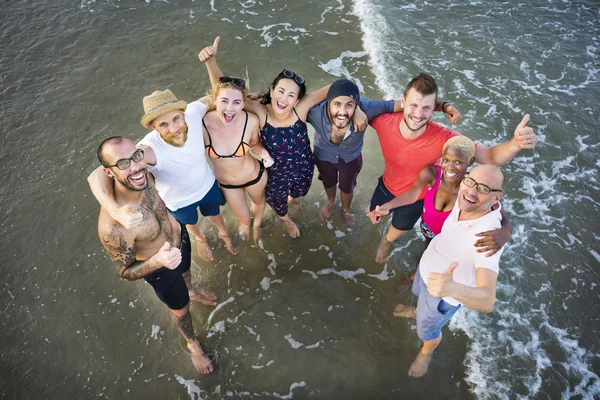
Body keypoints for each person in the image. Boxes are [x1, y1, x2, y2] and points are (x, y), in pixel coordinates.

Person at [368, 73, 536, 263]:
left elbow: (489, 156)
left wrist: (516, 143)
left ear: (433, 110)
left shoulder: (445, 138)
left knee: (396, 230)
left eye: (426, 108)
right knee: (374, 212)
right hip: (385, 185)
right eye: (414, 105)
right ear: (403, 101)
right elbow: (350, 109)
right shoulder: (383, 121)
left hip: (416, 198)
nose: (418, 114)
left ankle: (385, 242)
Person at [95, 137, 216, 374]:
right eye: (122, 164)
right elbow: (125, 272)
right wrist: (157, 261)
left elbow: (98, 175)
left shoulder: (144, 174)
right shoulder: (113, 227)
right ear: (108, 172)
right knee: (180, 309)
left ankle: (191, 289)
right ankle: (193, 344)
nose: (135, 167)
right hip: (160, 267)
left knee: (187, 273)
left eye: (135, 157)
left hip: (180, 237)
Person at [87, 87, 237, 262]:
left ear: (183, 112)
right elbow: (96, 175)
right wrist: (115, 211)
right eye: (163, 125)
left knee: (214, 213)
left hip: (207, 186)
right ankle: (200, 238)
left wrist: (253, 99)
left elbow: (218, 97)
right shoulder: (148, 149)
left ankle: (224, 233)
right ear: (153, 126)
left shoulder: (194, 112)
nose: (173, 129)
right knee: (190, 223)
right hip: (179, 201)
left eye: (176, 119)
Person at [393, 164, 506, 378]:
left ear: (497, 198)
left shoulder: (487, 238)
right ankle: (417, 311)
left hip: (442, 296)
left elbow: (487, 300)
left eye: (483, 189)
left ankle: (425, 353)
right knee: (419, 302)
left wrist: (451, 288)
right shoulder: (466, 199)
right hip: (427, 271)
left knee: (427, 331)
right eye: (471, 182)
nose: (472, 191)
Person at [308, 79, 461, 226]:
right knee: (328, 183)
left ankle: (345, 210)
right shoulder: (314, 112)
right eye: (336, 104)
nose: (342, 111)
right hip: (323, 157)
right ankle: (331, 202)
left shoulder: (366, 108)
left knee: (347, 187)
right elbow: (290, 108)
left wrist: (443, 106)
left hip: (350, 159)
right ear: (328, 103)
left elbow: (401, 105)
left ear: (356, 104)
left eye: (349, 105)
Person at [368, 136, 510, 255]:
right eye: (446, 160)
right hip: (427, 228)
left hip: (448, 237)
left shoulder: (470, 188)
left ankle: (414, 275)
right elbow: (413, 193)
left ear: (470, 162)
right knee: (428, 247)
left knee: (438, 255)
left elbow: (496, 210)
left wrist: (505, 234)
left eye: (458, 162)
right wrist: (388, 206)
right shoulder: (432, 174)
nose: (450, 167)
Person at [199, 38, 274, 243]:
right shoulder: (202, 124)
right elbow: (219, 86)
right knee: (243, 218)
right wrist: (210, 61)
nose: (230, 108)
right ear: (214, 100)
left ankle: (258, 227)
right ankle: (246, 226)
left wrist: (264, 153)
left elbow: (254, 144)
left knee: (258, 206)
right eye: (224, 101)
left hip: (255, 175)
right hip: (228, 184)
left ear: (244, 103)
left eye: (236, 102)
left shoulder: (251, 120)